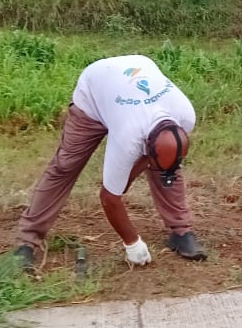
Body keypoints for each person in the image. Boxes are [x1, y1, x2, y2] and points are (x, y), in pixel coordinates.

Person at [14, 54, 206, 270]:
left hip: (132, 76)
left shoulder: (185, 116)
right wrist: (132, 243)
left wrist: (144, 171)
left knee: (168, 169)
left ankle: (181, 231)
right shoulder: (128, 136)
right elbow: (109, 197)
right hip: (94, 94)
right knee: (65, 165)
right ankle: (27, 240)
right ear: (144, 143)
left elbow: (157, 159)